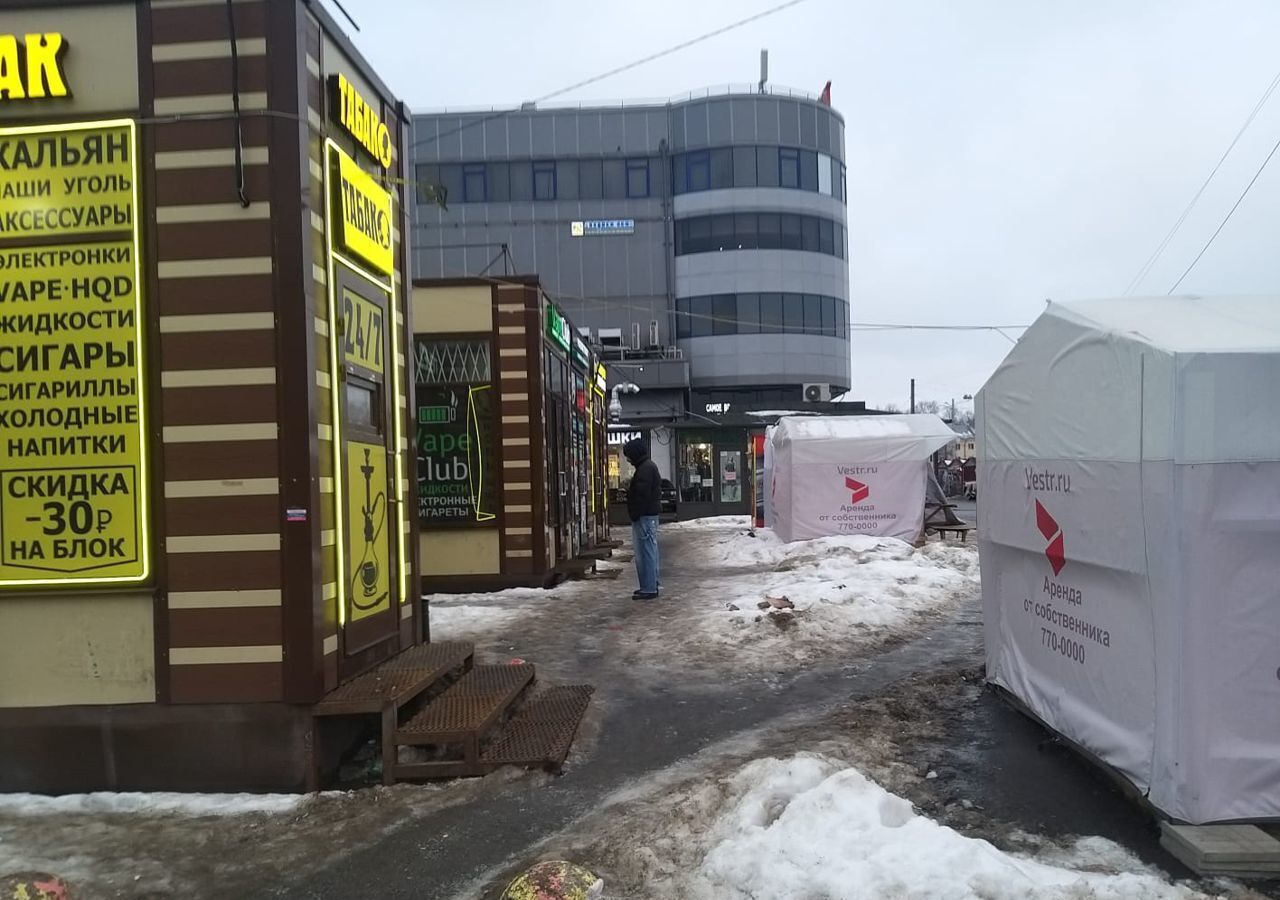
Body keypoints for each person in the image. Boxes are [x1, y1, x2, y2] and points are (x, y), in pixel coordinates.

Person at [622, 437, 661, 600]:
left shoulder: (644, 470)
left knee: (645, 553)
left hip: (644, 517)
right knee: (649, 551)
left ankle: (649, 587)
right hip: (648, 516)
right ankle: (650, 585)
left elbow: (641, 496)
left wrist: (634, 513)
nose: (628, 460)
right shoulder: (648, 467)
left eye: (629, 456)